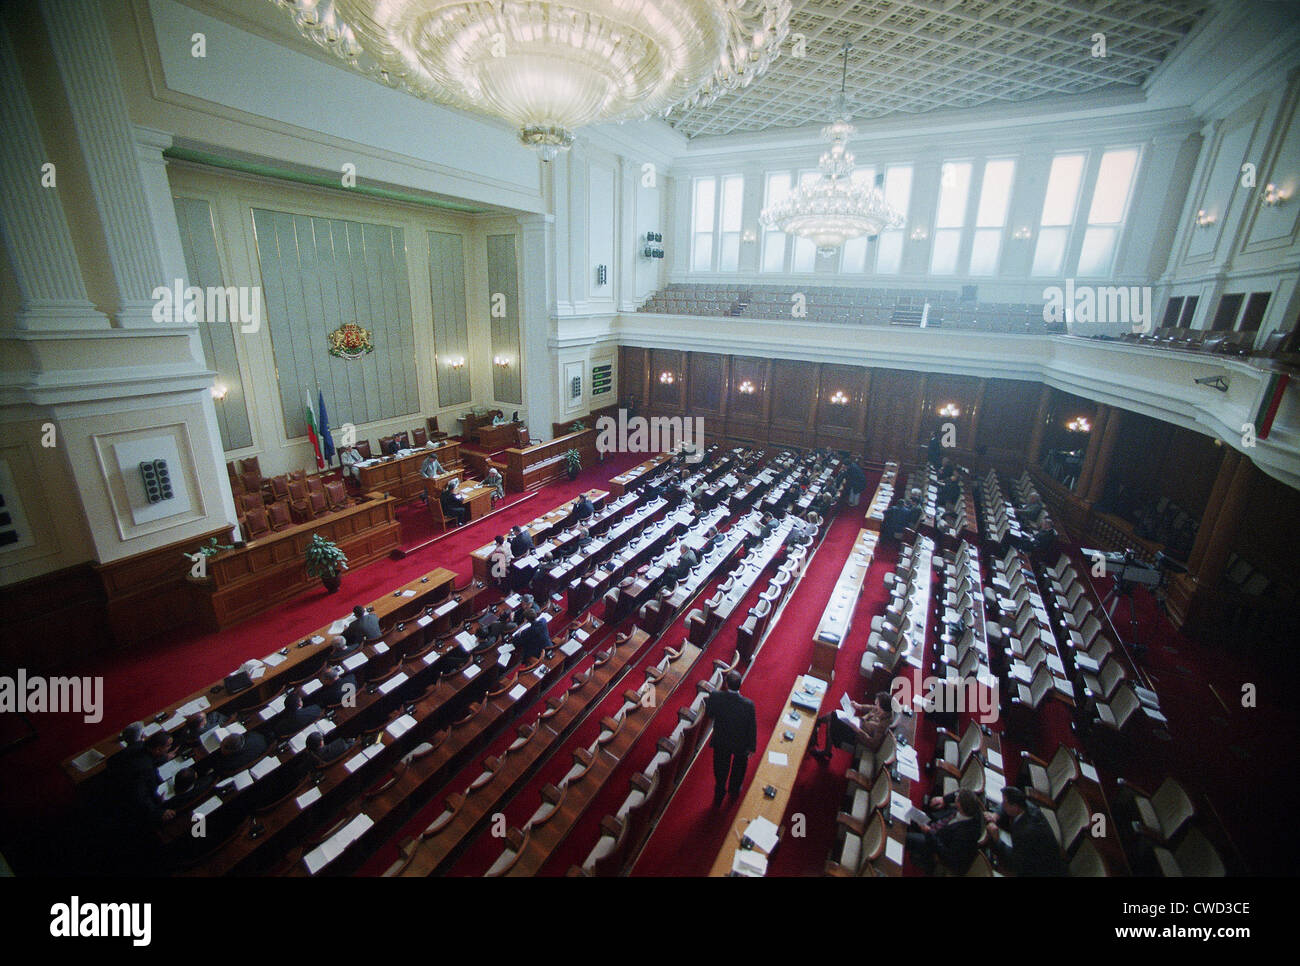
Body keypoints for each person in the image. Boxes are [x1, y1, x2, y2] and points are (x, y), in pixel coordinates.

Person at [704, 670, 757, 809]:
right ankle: (734, 789)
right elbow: (752, 727)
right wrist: (752, 746)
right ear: (740, 685)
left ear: (726, 684)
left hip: (721, 741)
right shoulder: (748, 704)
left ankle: (720, 792)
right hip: (740, 743)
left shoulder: (715, 696)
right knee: (739, 767)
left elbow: (710, 714)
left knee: (720, 769)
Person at [986, 787, 1068, 876]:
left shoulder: (1027, 832)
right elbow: (1003, 807)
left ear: (1015, 807)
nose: (1003, 804)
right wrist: (995, 815)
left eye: (1005, 802)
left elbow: (1014, 861)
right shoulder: (1025, 806)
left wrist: (997, 839)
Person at [906, 789, 984, 875]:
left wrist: (929, 833)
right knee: (908, 813)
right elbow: (958, 793)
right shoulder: (969, 808)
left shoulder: (966, 834)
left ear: (959, 805)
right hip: (934, 826)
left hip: (935, 843)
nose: (955, 796)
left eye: (957, 798)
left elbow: (947, 855)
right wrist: (944, 799)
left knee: (906, 838)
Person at [810, 692, 893, 763]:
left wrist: (858, 730)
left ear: (883, 708)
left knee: (833, 719)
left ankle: (816, 725)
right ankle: (816, 725)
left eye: (877, 704)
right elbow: (871, 707)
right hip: (856, 723)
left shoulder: (882, 725)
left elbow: (873, 744)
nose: (875, 705)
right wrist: (858, 706)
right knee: (834, 715)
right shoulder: (881, 711)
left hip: (856, 735)